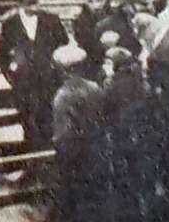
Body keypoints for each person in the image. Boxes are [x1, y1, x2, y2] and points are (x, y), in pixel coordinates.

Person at [0, 0, 69, 145]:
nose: (35, 6)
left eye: (37, 1)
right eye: (30, 3)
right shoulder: (10, 24)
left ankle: (50, 151)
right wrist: (11, 72)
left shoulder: (51, 20)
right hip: (24, 80)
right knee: (28, 116)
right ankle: (32, 151)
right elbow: (2, 54)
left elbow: (64, 44)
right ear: (20, 4)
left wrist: (56, 66)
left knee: (49, 114)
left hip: (48, 77)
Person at [50, 44, 101, 222]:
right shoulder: (94, 88)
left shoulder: (62, 96)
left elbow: (62, 135)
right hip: (95, 150)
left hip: (73, 156)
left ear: (64, 70)